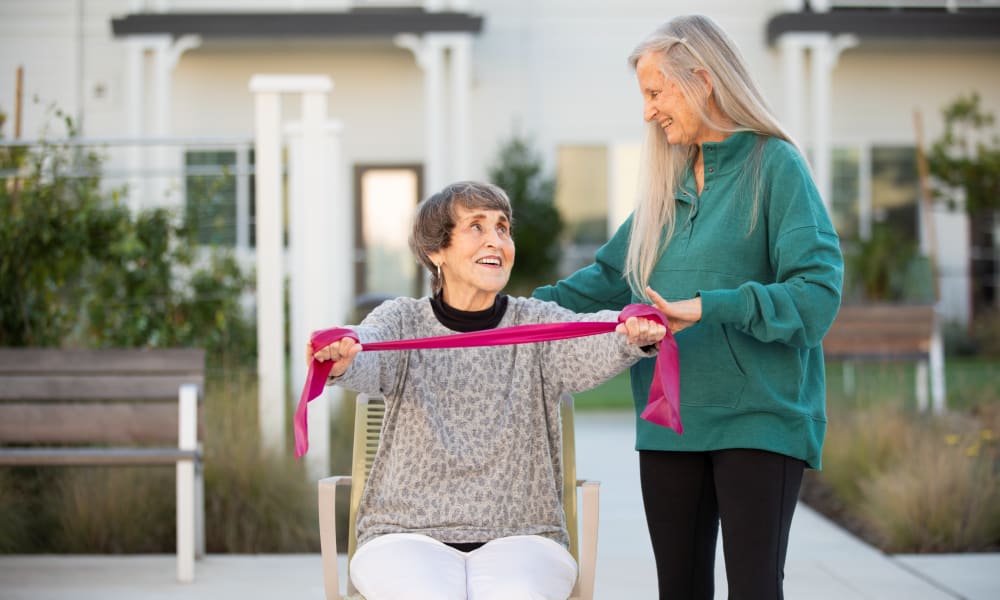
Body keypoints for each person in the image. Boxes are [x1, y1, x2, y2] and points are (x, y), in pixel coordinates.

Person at [533, 14, 844, 600]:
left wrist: (712, 307)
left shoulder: (774, 166)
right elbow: (603, 281)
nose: (648, 111)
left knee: (754, 588)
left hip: (760, 418)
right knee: (678, 589)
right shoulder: (666, 185)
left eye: (656, 92)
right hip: (670, 424)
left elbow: (817, 296)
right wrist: (499, 313)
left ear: (701, 79)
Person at [309, 181, 667, 600]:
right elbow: (368, 353)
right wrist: (344, 356)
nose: (495, 240)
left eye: (502, 227)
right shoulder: (401, 320)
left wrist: (633, 333)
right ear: (436, 251)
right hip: (405, 535)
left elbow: (591, 340)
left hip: (524, 537)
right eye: (476, 227)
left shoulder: (535, 324)